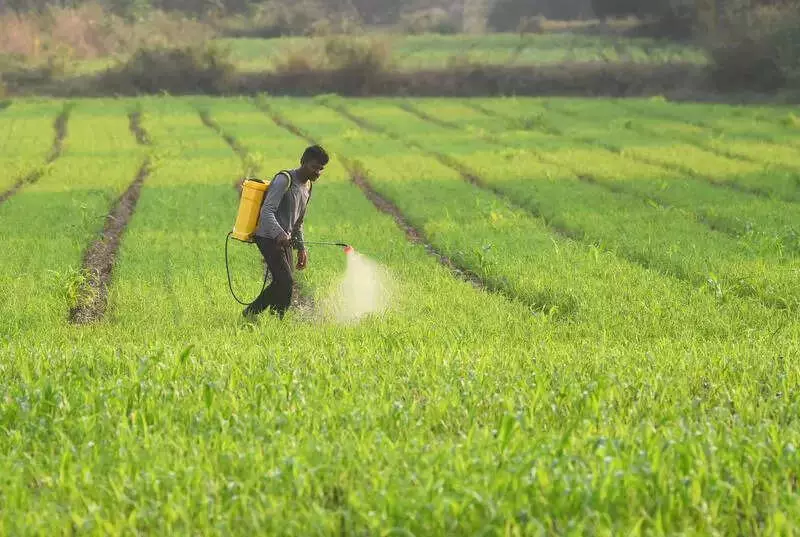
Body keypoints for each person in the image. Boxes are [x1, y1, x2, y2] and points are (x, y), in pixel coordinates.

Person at [243, 145, 329, 320]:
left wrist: (302, 248)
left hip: (285, 239)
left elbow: (298, 222)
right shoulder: (285, 179)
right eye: (314, 167)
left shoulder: (308, 186)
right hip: (267, 236)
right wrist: (280, 233)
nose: (317, 172)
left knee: (283, 284)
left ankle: (276, 319)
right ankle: (251, 313)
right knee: (285, 281)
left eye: (321, 169)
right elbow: (266, 211)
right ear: (303, 162)